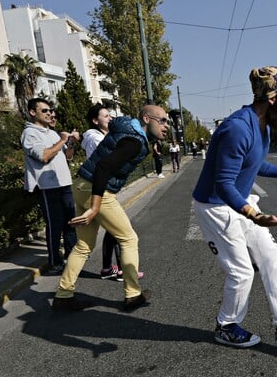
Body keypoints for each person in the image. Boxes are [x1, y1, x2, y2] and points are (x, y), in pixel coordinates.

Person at [192, 66, 277, 349]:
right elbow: (224, 183)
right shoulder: (237, 128)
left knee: (272, 259)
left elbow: (252, 164)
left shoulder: (261, 125)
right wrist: (257, 216)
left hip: (240, 202)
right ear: (273, 98)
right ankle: (226, 325)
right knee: (241, 271)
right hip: (216, 206)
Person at [52, 104, 169, 311]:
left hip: (81, 185)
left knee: (83, 245)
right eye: (162, 121)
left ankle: (63, 295)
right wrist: (95, 206)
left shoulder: (127, 132)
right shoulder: (134, 141)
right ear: (146, 119)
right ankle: (133, 294)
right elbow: (104, 167)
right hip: (96, 190)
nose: (166, 126)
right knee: (128, 238)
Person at [80, 103, 144, 282]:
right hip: (100, 189)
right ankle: (122, 272)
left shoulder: (104, 135)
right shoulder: (95, 138)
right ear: (95, 120)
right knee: (124, 234)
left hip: (103, 188)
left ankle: (110, 268)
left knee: (111, 232)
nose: (110, 119)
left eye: (110, 115)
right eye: (106, 116)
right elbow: (108, 161)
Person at [21, 98, 79, 275]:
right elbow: (44, 156)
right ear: (33, 112)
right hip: (47, 186)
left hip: (64, 183)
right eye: (45, 110)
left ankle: (72, 256)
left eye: (50, 111)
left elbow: (67, 157)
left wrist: (70, 143)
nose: (50, 114)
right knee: (54, 224)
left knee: (70, 222)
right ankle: (55, 262)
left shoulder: (52, 133)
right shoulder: (30, 134)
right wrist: (62, 140)